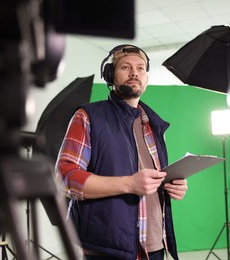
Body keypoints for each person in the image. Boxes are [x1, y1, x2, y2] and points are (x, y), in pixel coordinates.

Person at [56, 44, 188, 260]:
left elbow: (149, 181)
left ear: (146, 78)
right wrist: (129, 184)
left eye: (141, 68)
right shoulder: (88, 116)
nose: (134, 72)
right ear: (110, 75)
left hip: (155, 246)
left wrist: (171, 187)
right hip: (108, 249)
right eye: (125, 67)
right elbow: (65, 177)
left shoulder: (154, 125)